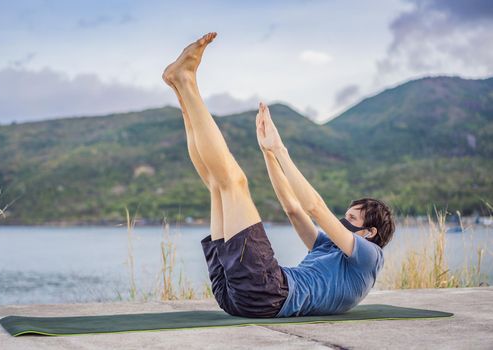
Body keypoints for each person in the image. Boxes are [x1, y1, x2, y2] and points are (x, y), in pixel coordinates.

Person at [162, 32, 395, 318]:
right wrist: (267, 153)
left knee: (234, 183)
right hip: (236, 295)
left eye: (351, 219)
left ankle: (185, 80)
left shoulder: (369, 257)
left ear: (369, 233)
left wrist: (281, 149)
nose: (341, 221)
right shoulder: (327, 247)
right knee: (217, 185)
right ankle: (181, 86)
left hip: (267, 294)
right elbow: (294, 209)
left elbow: (314, 208)